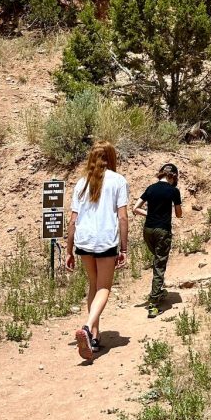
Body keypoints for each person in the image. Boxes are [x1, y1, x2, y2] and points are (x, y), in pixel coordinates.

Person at [65, 141, 129, 362]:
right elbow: (122, 217)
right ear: (111, 158)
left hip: (84, 241)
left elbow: (73, 221)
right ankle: (87, 325)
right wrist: (124, 248)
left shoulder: (81, 183)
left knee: (93, 284)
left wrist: (69, 250)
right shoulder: (118, 181)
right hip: (105, 241)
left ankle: (93, 337)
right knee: (104, 287)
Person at [133, 162, 182, 319]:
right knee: (159, 265)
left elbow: (135, 208)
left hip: (148, 230)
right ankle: (153, 304)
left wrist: (150, 214)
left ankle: (158, 291)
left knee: (157, 261)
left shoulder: (151, 188)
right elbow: (179, 214)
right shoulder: (173, 191)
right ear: (173, 176)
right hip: (162, 230)